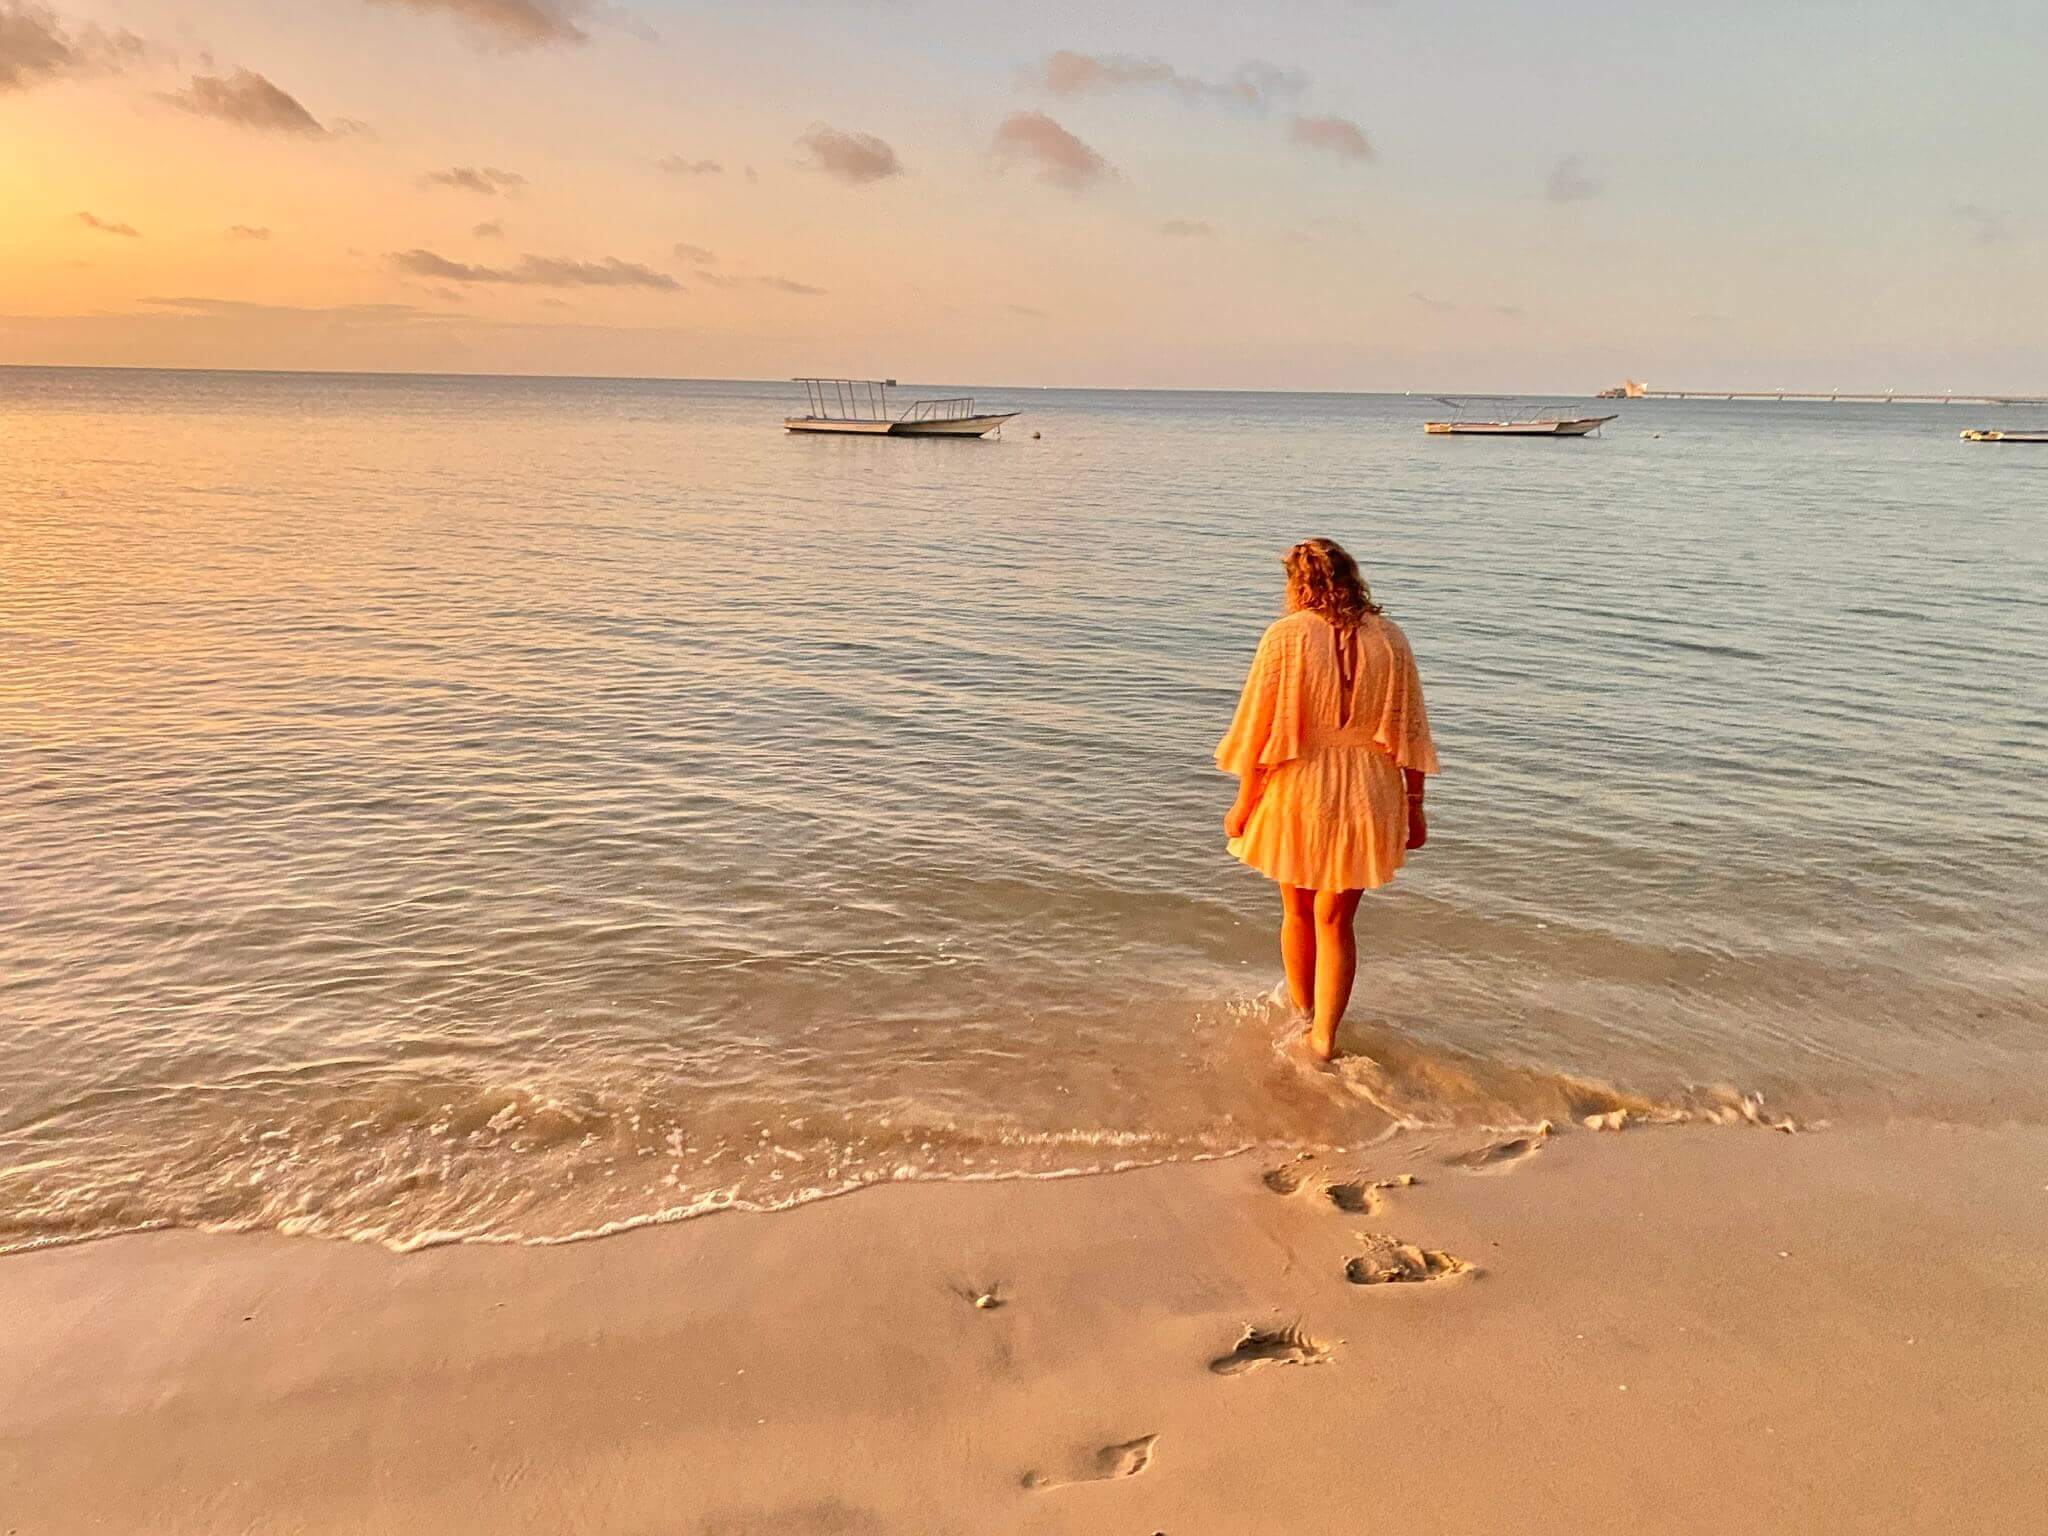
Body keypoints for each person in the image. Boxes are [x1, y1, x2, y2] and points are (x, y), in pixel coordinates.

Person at [1217, 538, 1439, 1061]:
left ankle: (1303, 1017)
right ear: (1352, 578)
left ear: (1298, 583)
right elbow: (1411, 732)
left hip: (1299, 782)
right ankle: (1324, 1041)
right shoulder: (1391, 639)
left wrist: (1243, 806)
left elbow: (1259, 732)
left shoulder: (1284, 637)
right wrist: (1414, 806)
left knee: (1297, 911)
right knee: (1336, 920)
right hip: (1369, 784)